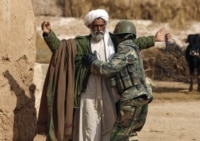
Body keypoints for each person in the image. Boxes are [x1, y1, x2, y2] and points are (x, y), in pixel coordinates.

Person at [36, 9, 169, 141]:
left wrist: (154, 39)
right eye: (95, 26)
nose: (99, 29)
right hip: (88, 94)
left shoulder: (115, 40)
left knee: (111, 129)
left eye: (102, 25)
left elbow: (134, 44)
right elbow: (61, 51)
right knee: (88, 129)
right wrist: (49, 35)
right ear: (90, 26)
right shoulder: (82, 44)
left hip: (111, 94)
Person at [83, 20, 153, 141]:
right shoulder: (135, 48)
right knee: (131, 133)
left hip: (131, 99)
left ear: (119, 36)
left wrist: (93, 62)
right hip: (142, 96)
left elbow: (108, 69)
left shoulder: (125, 49)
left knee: (118, 136)